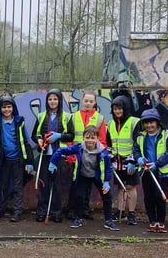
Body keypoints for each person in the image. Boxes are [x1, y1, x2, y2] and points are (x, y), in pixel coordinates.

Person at [49, 125, 119, 231]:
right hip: (83, 175)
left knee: (107, 197)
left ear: (97, 138)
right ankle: (78, 218)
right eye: (87, 137)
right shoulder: (79, 148)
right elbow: (60, 151)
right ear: (83, 138)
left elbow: (108, 168)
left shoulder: (103, 153)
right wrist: (52, 162)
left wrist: (106, 182)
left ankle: (109, 221)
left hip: (97, 176)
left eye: (92, 138)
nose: (89, 140)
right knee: (79, 197)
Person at [0, 95, 34, 222]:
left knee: (18, 187)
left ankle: (17, 212)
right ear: (0, 108)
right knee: (3, 186)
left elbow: (26, 141)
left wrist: (29, 162)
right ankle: (1, 209)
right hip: (2, 159)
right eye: (4, 107)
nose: (6, 110)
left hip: (18, 159)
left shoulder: (19, 121)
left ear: (13, 108)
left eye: (9, 107)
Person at [133, 108, 168, 233]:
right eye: (146, 123)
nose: (149, 125)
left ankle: (161, 222)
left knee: (160, 197)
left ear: (157, 122)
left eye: (151, 122)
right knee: (148, 198)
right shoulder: (140, 137)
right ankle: (152, 221)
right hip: (147, 172)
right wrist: (139, 159)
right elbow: (136, 151)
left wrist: (157, 164)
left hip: (162, 172)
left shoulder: (167, 134)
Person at [31, 88, 74, 223]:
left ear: (60, 101)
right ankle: (42, 211)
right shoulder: (41, 116)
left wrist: (59, 136)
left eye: (55, 99)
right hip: (45, 155)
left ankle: (56, 212)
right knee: (44, 184)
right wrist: (39, 140)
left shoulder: (67, 117)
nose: (52, 101)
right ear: (47, 101)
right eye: (50, 99)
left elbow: (71, 135)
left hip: (59, 156)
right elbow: (34, 135)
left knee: (57, 185)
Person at [66, 90, 107, 219]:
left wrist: (99, 155)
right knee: (75, 184)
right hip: (76, 156)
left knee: (88, 185)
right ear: (82, 101)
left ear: (95, 102)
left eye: (91, 101)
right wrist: (70, 155)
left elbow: (102, 140)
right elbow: (69, 138)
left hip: (92, 157)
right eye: (86, 101)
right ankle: (72, 210)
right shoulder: (73, 116)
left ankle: (84, 210)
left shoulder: (100, 118)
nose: (88, 103)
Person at [106, 95, 140, 225]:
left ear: (125, 108)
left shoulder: (134, 122)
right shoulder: (110, 124)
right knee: (120, 187)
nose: (117, 111)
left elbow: (138, 143)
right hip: (117, 161)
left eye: (120, 108)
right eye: (115, 109)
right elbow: (109, 144)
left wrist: (133, 161)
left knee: (130, 186)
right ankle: (120, 211)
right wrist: (110, 158)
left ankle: (131, 213)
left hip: (130, 161)